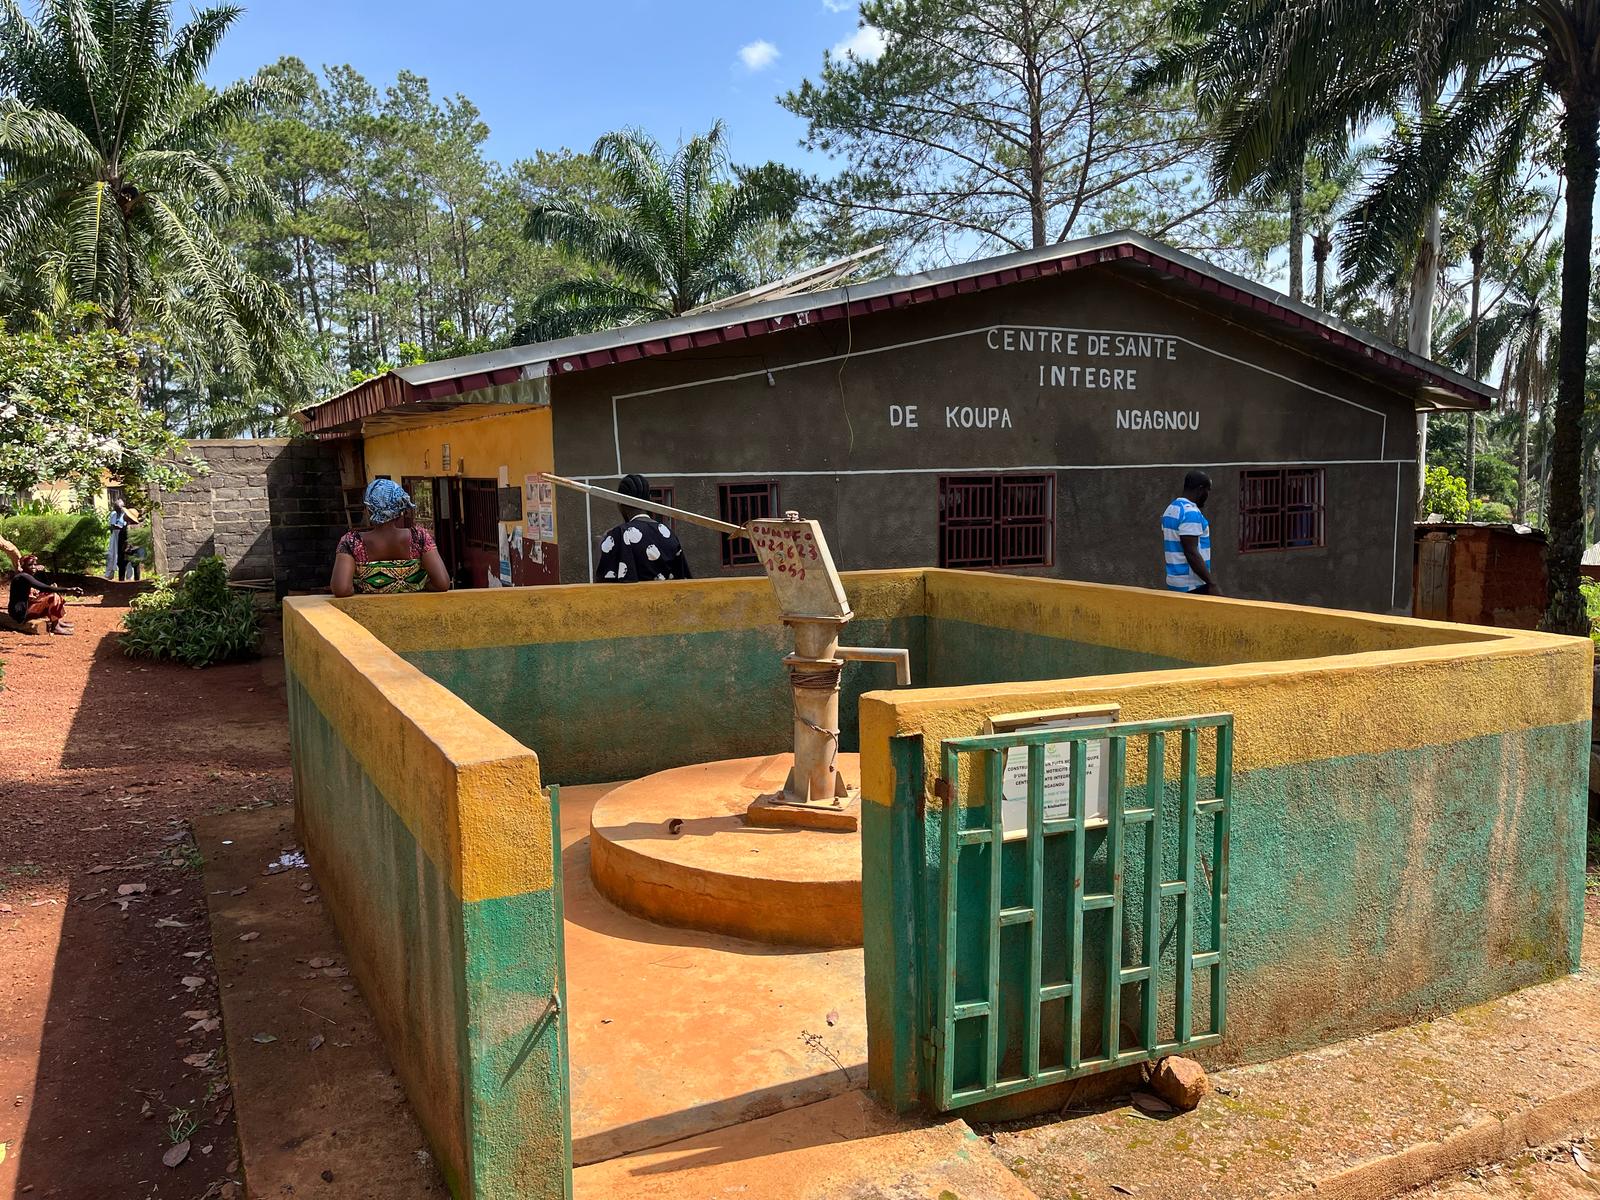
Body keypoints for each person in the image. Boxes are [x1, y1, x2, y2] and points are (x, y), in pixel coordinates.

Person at [330, 479, 452, 597]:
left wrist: (361, 589)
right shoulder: (419, 538)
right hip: (414, 611)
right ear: (400, 511)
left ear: (369, 510)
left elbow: (342, 589)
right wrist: (421, 586)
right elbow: (442, 583)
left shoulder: (351, 542)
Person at [594, 474, 691, 582]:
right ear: (649, 501)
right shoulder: (668, 534)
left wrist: (601, 545)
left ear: (620, 504)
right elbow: (683, 579)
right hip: (665, 598)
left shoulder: (618, 535)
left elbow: (603, 582)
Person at [1162, 470, 1221, 595]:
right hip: (1193, 585)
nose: (1207, 495)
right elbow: (1191, 553)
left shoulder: (1171, 509)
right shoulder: (1190, 513)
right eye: (1207, 490)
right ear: (1200, 489)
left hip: (1175, 582)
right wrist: (1211, 583)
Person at [9, 553, 82, 635]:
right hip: (20, 613)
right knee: (53, 596)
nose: (33, 567)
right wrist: (69, 590)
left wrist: (41, 572)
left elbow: (44, 585)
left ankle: (57, 621)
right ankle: (55, 627)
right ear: (23, 566)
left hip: (23, 609)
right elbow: (44, 587)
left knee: (51, 594)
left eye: (35, 564)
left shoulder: (27, 575)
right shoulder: (23, 576)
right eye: (30, 565)